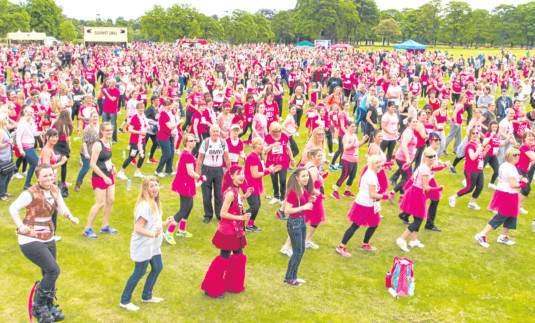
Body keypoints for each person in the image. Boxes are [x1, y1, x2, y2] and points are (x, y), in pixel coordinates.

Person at [9, 164, 79, 323]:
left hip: (48, 236)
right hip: (30, 239)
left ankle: (48, 306)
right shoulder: (30, 194)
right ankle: (38, 306)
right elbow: (13, 208)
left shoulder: (55, 189)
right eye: (45, 176)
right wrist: (21, 226)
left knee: (48, 273)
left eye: (51, 175)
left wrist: (71, 217)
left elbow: (61, 207)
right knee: (54, 270)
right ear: (37, 178)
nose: (49, 178)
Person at [120, 176, 174, 311]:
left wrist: (165, 223)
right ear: (145, 189)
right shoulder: (144, 206)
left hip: (153, 245)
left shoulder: (154, 203)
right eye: (151, 186)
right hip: (143, 245)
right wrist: (153, 234)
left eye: (156, 185)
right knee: (139, 272)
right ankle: (125, 301)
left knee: (157, 267)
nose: (155, 188)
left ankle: (146, 296)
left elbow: (154, 224)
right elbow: (138, 228)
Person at [201, 165, 253, 298]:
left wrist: (245, 195)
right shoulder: (230, 192)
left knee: (238, 256)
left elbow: (236, 203)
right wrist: (240, 217)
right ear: (231, 176)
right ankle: (211, 288)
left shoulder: (236, 190)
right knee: (223, 258)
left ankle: (233, 285)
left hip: (237, 231)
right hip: (228, 231)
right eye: (238, 174)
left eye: (242, 173)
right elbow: (222, 213)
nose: (242, 176)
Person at [336, 155, 388, 257]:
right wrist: (386, 196)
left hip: (370, 204)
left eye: (380, 162)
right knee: (355, 225)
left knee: (374, 224)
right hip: (364, 204)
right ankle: (341, 247)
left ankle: (365, 244)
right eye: (376, 163)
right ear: (371, 164)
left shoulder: (371, 172)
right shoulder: (371, 176)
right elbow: (372, 194)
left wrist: (382, 166)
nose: (379, 165)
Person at [475, 148, 527, 248]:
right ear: (510, 156)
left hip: (506, 192)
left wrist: (518, 179)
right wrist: (523, 183)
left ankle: (503, 236)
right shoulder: (511, 168)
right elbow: (513, 184)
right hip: (507, 194)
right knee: (502, 216)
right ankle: (482, 234)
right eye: (515, 155)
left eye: (518, 155)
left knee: (512, 215)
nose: (518, 157)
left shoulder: (505, 165)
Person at [396, 148, 442, 252]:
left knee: (418, 218)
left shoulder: (424, 167)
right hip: (418, 193)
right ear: (425, 158)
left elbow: (413, 179)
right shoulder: (425, 169)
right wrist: (438, 189)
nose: (433, 158)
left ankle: (413, 240)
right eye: (430, 157)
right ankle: (402, 239)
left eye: (434, 156)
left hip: (416, 192)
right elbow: (426, 187)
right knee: (419, 219)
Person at [163, 134, 204, 245]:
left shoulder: (185, 153)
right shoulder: (188, 155)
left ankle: (181, 230)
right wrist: (201, 177)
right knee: (184, 209)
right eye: (191, 141)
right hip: (185, 184)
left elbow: (177, 166)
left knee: (189, 206)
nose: (193, 142)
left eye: (194, 141)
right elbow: (191, 172)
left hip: (186, 183)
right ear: (185, 142)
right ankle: (169, 232)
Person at [83, 122, 118, 239]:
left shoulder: (109, 142)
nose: (109, 132)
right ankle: (87, 228)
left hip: (108, 174)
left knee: (111, 200)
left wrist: (113, 166)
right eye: (107, 130)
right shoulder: (98, 145)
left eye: (110, 130)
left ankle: (105, 225)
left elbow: (107, 158)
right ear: (102, 131)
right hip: (99, 176)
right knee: (100, 203)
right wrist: (104, 177)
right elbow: (92, 164)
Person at [283, 167, 315, 286]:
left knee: (301, 250)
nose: (306, 178)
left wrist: (310, 199)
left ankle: (294, 276)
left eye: (307, 175)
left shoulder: (303, 189)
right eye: (303, 176)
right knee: (297, 251)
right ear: (297, 178)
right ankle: (288, 278)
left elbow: (302, 201)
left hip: (301, 222)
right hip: (294, 223)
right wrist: (303, 207)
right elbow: (287, 210)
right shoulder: (293, 192)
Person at [243, 138, 281, 232]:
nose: (262, 146)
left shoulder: (258, 156)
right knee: (254, 206)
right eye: (260, 144)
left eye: (263, 144)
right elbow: (254, 174)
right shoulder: (253, 157)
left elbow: (260, 171)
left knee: (257, 205)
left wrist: (272, 170)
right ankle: (237, 219)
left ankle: (250, 225)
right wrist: (269, 171)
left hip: (255, 184)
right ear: (254, 145)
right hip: (249, 185)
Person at [448, 128, 490, 210]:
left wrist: (485, 151)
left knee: (480, 187)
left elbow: (480, 157)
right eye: (473, 133)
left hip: (479, 169)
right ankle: (453, 197)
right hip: (470, 170)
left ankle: (472, 203)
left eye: (476, 133)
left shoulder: (478, 144)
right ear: (470, 135)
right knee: (469, 188)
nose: (475, 134)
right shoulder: (470, 145)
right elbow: (472, 157)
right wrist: (478, 149)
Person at [196, 124, 231, 223]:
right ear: (210, 132)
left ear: (219, 132)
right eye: (214, 131)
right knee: (206, 194)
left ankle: (219, 214)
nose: (215, 133)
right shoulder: (205, 142)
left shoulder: (223, 143)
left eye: (217, 131)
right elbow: (199, 159)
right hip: (207, 170)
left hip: (219, 170)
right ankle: (208, 215)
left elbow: (227, 159)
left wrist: (230, 172)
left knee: (219, 194)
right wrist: (198, 174)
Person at [331, 121, 368, 200]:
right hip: (347, 159)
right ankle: (335, 192)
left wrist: (363, 141)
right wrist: (352, 144)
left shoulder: (354, 135)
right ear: (347, 127)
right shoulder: (346, 136)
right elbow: (346, 147)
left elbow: (357, 145)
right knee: (344, 175)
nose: (354, 128)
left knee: (352, 176)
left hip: (354, 160)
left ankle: (347, 191)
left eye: (355, 127)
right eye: (352, 126)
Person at [265, 122, 296, 205]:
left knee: (283, 180)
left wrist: (292, 159)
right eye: (275, 132)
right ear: (271, 131)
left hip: (283, 162)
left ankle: (282, 198)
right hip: (272, 163)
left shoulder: (284, 136)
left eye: (279, 131)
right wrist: (272, 145)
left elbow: (288, 148)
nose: (277, 133)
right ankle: (276, 196)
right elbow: (265, 150)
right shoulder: (268, 137)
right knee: (274, 180)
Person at [389, 116, 418, 204]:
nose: (415, 123)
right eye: (413, 122)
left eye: (416, 122)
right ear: (408, 122)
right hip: (403, 158)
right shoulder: (408, 132)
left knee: (405, 177)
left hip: (405, 158)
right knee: (408, 179)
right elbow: (404, 144)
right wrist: (408, 158)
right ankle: (391, 194)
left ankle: (402, 197)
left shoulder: (411, 131)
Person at [117, 102, 149, 180]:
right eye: (140, 110)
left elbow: (144, 126)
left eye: (143, 110)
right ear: (137, 109)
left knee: (142, 156)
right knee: (132, 156)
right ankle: (121, 172)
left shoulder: (143, 117)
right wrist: (140, 132)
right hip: (135, 141)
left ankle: (137, 172)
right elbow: (130, 129)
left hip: (142, 141)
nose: (141, 111)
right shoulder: (135, 117)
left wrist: (149, 127)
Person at [16, 105, 40, 189]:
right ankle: (41, 183)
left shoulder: (32, 121)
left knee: (33, 165)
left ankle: (27, 184)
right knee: (38, 164)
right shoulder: (22, 123)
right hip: (26, 147)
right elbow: (18, 137)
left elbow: (33, 133)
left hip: (31, 144)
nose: (30, 114)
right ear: (24, 112)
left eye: (31, 112)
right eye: (28, 112)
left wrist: (40, 132)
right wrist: (21, 150)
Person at [75, 111, 99, 192]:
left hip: (96, 151)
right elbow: (84, 141)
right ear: (90, 118)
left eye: (96, 116)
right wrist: (86, 153)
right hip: (87, 151)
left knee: (97, 168)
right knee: (86, 168)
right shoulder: (88, 128)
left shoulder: (100, 127)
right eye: (93, 117)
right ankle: (78, 184)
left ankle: (95, 185)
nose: (95, 118)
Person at [155, 100, 179, 177]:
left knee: (172, 153)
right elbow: (170, 126)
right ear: (164, 106)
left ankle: (168, 170)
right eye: (168, 105)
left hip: (170, 135)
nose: (170, 107)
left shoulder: (169, 113)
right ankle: (158, 170)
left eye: (170, 105)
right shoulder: (163, 114)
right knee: (167, 153)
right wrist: (179, 122)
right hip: (163, 136)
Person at [516, 131, 535, 214]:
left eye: (532, 137)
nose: (531, 138)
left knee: (524, 189)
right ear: (524, 139)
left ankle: (518, 206)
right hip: (519, 169)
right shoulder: (525, 146)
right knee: (525, 188)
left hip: (524, 170)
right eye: (529, 137)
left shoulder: (529, 147)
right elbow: (533, 156)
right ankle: (516, 207)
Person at [53, 110, 73, 186]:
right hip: (63, 145)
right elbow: (67, 139)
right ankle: (63, 182)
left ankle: (53, 181)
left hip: (55, 143)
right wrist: (69, 147)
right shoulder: (66, 125)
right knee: (63, 164)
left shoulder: (56, 123)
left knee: (54, 162)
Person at [0, 113, 15, 201]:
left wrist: (8, 118)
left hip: (8, 155)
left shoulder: (5, 128)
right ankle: (2, 194)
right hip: (2, 156)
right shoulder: (0, 132)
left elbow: (14, 124)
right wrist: (7, 144)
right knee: (4, 175)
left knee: (9, 173)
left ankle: (5, 191)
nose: (7, 120)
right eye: (5, 119)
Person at [101, 78, 120, 143]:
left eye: (110, 82)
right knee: (104, 124)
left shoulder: (117, 91)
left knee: (113, 124)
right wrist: (101, 90)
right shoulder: (107, 89)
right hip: (105, 109)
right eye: (108, 82)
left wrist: (106, 92)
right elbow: (101, 96)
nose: (108, 83)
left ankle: (114, 139)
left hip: (112, 110)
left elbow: (112, 99)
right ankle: (103, 138)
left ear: (114, 83)